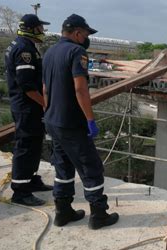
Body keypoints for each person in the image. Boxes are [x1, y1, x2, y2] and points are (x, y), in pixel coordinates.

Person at [42, 14, 118, 229]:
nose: (86, 38)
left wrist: (48, 114)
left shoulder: (49, 52)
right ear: (77, 33)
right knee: (91, 167)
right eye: (85, 33)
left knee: (63, 168)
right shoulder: (77, 52)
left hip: (52, 121)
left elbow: (45, 90)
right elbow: (80, 88)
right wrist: (90, 120)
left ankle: (63, 211)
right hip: (71, 123)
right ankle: (99, 215)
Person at [5, 14, 53, 206]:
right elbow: (27, 86)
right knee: (25, 147)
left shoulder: (25, 45)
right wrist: (45, 104)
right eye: (40, 28)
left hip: (30, 108)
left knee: (34, 145)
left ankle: (31, 180)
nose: (43, 31)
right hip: (27, 107)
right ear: (32, 29)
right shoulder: (24, 49)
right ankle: (20, 192)